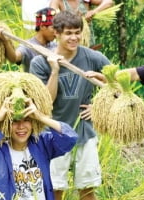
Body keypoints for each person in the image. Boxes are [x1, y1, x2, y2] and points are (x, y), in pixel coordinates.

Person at [30, 10, 110, 200]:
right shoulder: (40, 62)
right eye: (68, 33)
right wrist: (55, 71)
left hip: (85, 132)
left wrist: (99, 107)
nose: (74, 38)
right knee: (55, 189)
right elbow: (45, 103)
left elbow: (117, 83)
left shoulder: (92, 57)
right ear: (56, 34)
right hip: (53, 134)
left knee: (88, 188)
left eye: (77, 32)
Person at [0, 80, 78, 200]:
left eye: (26, 120)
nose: (21, 127)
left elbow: (70, 137)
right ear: (6, 123)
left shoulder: (41, 144)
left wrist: (40, 116)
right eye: (14, 121)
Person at [0, 7, 57, 72]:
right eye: (54, 28)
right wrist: (5, 42)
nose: (57, 31)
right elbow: (15, 58)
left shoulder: (55, 45)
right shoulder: (27, 46)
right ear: (42, 26)